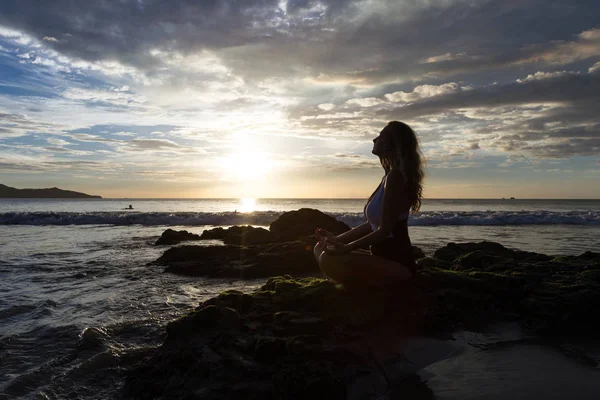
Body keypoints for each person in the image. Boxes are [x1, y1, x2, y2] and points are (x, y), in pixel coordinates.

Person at [313, 121, 424, 287]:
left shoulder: (396, 178)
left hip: (398, 265)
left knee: (327, 257)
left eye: (380, 136)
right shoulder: (388, 177)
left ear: (390, 145)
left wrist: (347, 248)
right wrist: (337, 239)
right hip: (381, 258)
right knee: (320, 248)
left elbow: (384, 230)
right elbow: (372, 224)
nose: (374, 139)